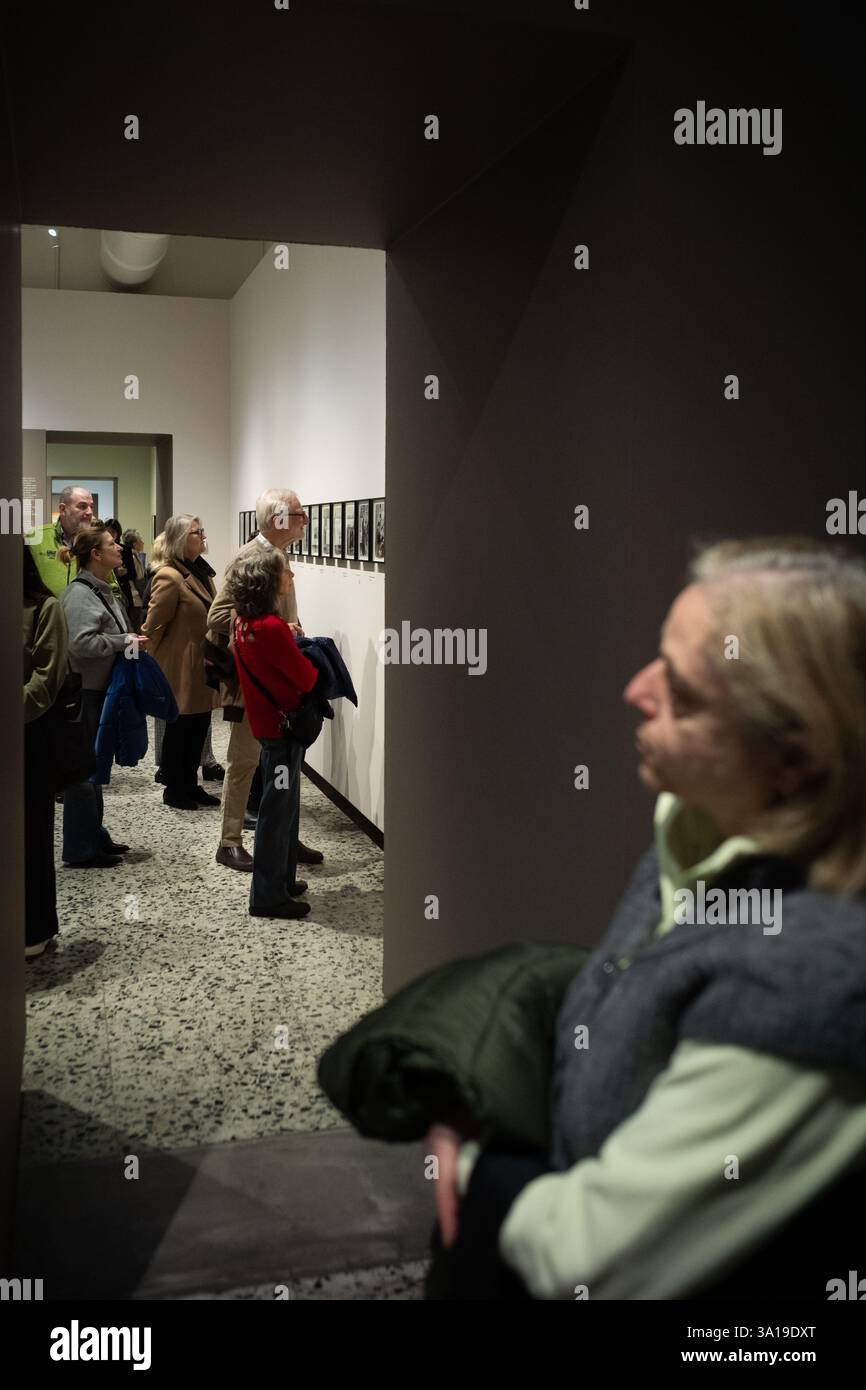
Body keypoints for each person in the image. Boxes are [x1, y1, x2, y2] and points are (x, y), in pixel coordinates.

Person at [423, 537, 866, 1300]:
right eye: (657, 658)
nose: (635, 690)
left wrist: (474, 1166)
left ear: (798, 758)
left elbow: (593, 1259)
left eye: (684, 694)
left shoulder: (819, 976)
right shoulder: (695, 822)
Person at [207, 488, 323, 871]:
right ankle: (229, 841)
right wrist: (272, 628)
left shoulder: (277, 555)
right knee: (243, 762)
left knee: (282, 765)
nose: (304, 519)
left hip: (277, 683)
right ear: (277, 519)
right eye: (298, 513)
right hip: (253, 682)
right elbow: (216, 617)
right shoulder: (250, 557)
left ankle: (284, 838)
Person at [222, 545, 318, 918]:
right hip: (282, 731)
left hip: (265, 726)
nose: (290, 577)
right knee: (277, 813)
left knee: (284, 807)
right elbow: (306, 677)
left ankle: (283, 881)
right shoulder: (273, 628)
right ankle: (267, 896)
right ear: (268, 581)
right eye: (285, 572)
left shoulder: (244, 622)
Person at [59, 525, 146, 867]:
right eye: (112, 545)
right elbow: (80, 644)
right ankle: (81, 849)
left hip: (100, 690)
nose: (119, 548)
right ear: (96, 555)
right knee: (83, 774)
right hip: (86, 692)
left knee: (94, 768)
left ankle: (94, 836)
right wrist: (124, 642)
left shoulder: (101, 589)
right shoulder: (81, 595)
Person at [141, 514, 218, 810]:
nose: (202, 536)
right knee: (180, 728)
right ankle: (175, 788)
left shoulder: (201, 571)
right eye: (196, 532)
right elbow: (153, 626)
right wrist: (153, 664)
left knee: (198, 726)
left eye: (201, 531)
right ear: (180, 539)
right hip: (179, 666)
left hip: (200, 663)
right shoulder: (169, 576)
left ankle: (190, 784)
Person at [23, 546, 70, 955]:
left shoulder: (44, 608)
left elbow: (46, 678)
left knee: (31, 833)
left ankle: (35, 927)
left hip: (28, 737)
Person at [30, 485, 123, 600]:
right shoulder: (35, 538)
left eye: (91, 507)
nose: (89, 512)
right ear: (63, 509)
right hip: (48, 615)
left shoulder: (94, 541)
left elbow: (112, 586)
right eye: (82, 506)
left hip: (87, 615)